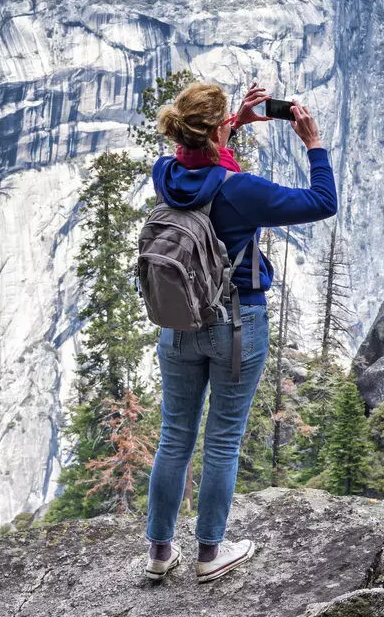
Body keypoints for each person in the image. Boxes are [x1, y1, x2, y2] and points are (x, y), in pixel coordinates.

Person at [143, 80, 336, 582]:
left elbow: (198, 166)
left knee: (173, 438)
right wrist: (312, 143)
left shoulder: (164, 174)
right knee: (222, 441)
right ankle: (210, 553)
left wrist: (233, 129)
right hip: (235, 323)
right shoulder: (242, 191)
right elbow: (321, 201)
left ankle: (160, 553)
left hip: (179, 322)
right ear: (215, 133)